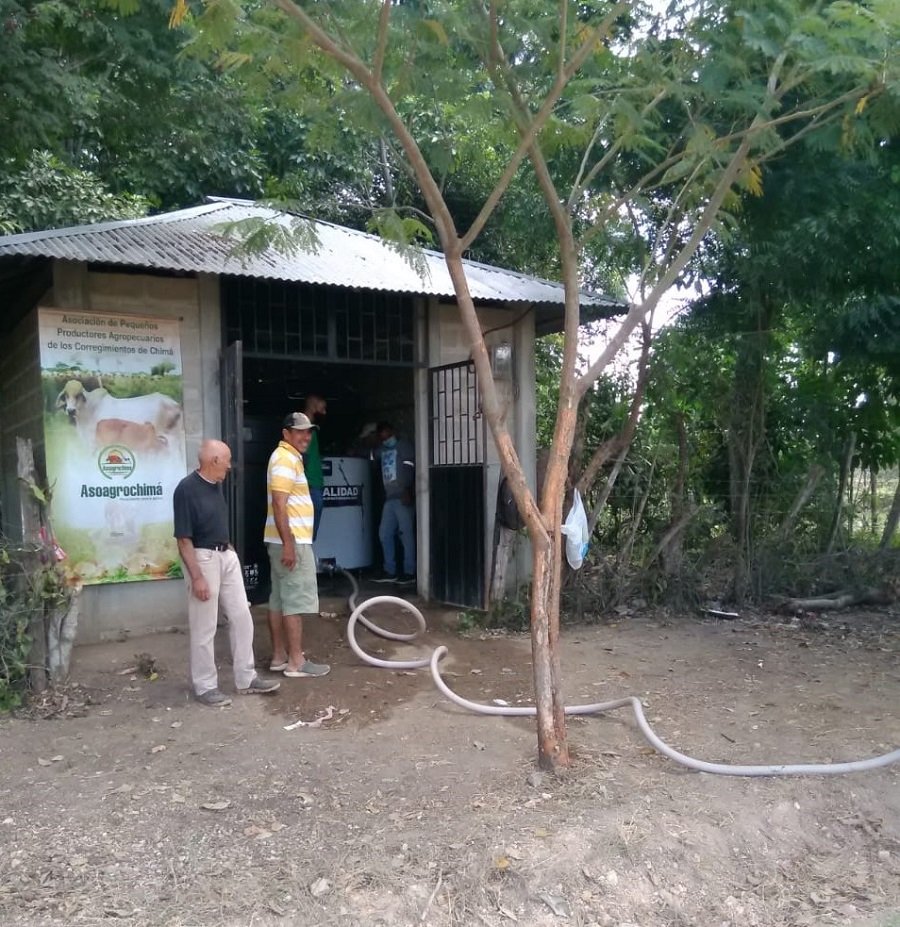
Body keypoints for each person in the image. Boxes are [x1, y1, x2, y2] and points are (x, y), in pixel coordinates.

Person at [173, 439, 281, 707]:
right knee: (205, 625)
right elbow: (183, 539)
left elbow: (214, 522)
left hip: (224, 554)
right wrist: (197, 576)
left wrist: (228, 547)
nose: (230, 466)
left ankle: (246, 678)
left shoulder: (216, 485)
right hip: (203, 558)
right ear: (214, 461)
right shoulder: (186, 489)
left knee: (242, 617)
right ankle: (205, 686)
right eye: (227, 460)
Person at [264, 412, 331, 678]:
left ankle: (279, 657)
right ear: (286, 433)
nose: (306, 436)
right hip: (291, 542)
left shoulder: (287, 457)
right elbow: (279, 503)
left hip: (280, 541)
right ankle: (296, 662)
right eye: (300, 431)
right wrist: (289, 544)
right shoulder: (284, 458)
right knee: (294, 602)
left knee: (279, 600)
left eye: (308, 432)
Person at [372, 422, 416, 586]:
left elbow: (410, 469)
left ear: (393, 432)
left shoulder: (404, 446)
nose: (386, 439)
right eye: (382, 437)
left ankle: (410, 572)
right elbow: (370, 455)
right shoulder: (382, 450)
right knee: (384, 534)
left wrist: (407, 489)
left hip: (403, 496)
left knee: (406, 535)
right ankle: (390, 571)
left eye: (387, 435)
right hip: (390, 497)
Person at [302, 394, 327, 541]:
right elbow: (301, 458)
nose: (324, 412)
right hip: (309, 487)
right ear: (313, 406)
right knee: (306, 537)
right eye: (322, 408)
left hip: (313, 485)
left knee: (308, 537)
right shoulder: (303, 430)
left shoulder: (311, 429)